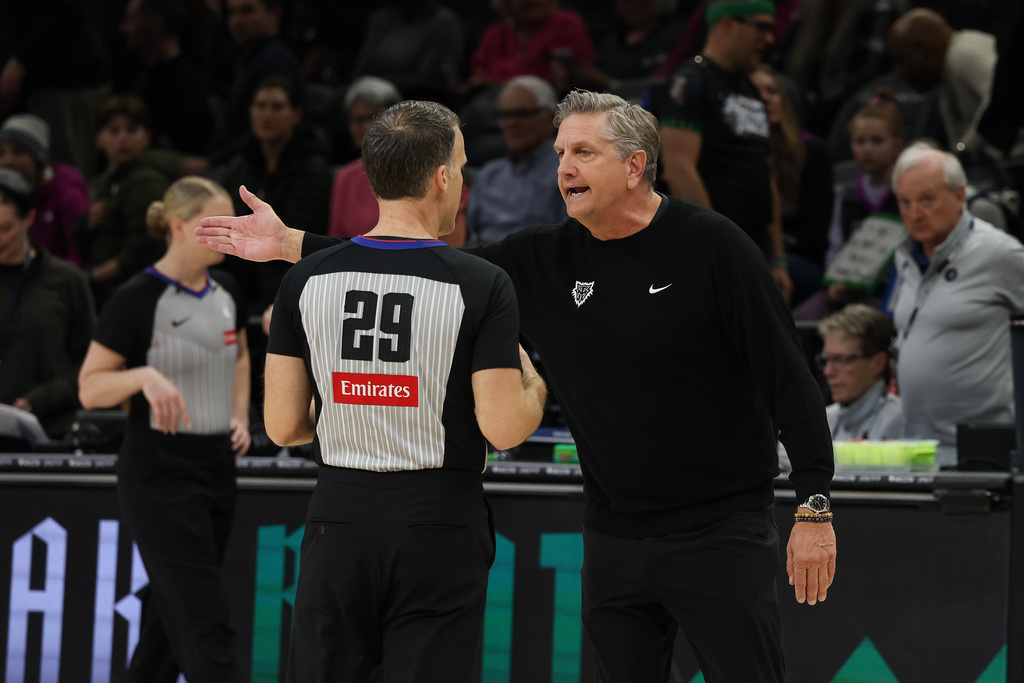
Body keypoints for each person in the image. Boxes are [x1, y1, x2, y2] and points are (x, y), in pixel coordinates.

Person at [197, 90, 837, 682]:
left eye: (583, 152)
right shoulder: (538, 258)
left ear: (636, 164)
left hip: (719, 530)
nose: (564, 167)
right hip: (612, 535)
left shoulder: (714, 247)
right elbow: (419, 269)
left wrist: (813, 501)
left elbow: (790, 376)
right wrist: (294, 245)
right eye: (560, 153)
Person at [261, 100, 547, 680]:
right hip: (437, 522)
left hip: (336, 517)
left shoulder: (304, 279)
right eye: (462, 169)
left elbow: (284, 426)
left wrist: (354, 402)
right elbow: (503, 428)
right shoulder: (482, 282)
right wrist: (535, 384)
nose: (463, 184)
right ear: (442, 177)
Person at [78, 176, 250, 683]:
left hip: (217, 469)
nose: (227, 233)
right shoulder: (136, 298)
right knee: (206, 624)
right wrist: (142, 376)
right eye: (212, 224)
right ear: (177, 226)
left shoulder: (229, 290)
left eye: (231, 223)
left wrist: (239, 415)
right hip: (159, 475)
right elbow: (89, 389)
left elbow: (238, 356)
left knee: (167, 623)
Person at [888, 143, 1024, 468]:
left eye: (927, 199)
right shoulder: (904, 256)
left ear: (960, 196)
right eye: (905, 202)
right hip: (916, 444)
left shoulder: (1000, 254)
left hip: (984, 449)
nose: (915, 213)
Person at [658, 0, 793, 302]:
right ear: (727, 23)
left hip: (751, 247)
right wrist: (716, 244)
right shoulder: (692, 81)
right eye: (761, 27)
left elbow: (763, 170)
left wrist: (777, 257)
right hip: (710, 246)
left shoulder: (749, 87)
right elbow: (679, 168)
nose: (769, 39)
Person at [220, 75, 332, 311]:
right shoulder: (241, 164)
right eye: (260, 106)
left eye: (277, 107)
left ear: (296, 114)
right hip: (243, 267)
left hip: (294, 270)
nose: (267, 115)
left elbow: (304, 228)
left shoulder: (313, 166)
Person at [0, 168, 94, 440]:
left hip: (51, 433)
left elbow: (91, 363)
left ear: (29, 219)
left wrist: (42, 399)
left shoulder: (66, 280)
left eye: (5, 229)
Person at [73, 95, 180, 305]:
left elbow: (143, 248)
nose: (123, 138)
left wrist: (91, 278)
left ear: (147, 137)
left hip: (127, 291)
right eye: (114, 131)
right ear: (99, 139)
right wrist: (86, 224)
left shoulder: (147, 180)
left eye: (131, 130)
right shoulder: (101, 182)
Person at [887, 7, 1022, 159]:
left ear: (923, 50)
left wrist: (965, 149)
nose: (897, 72)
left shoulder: (962, 55)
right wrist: (956, 152)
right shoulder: (946, 69)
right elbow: (957, 141)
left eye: (900, 60)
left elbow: (1001, 94)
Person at [751, 64, 834, 307]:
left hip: (798, 258)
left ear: (785, 101)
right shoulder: (738, 155)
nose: (765, 98)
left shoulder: (812, 151)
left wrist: (776, 250)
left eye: (772, 91)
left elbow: (816, 235)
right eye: (757, 92)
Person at [465, 75, 566, 245]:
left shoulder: (567, 171)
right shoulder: (489, 173)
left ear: (551, 119)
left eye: (521, 114)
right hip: (482, 264)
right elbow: (466, 233)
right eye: (505, 115)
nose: (510, 123)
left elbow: (569, 240)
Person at [118, 0, 216, 156]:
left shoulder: (188, 84)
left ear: (156, 23)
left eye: (132, 19)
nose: (124, 28)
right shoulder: (138, 77)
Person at [0, 113, 89, 264]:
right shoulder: (3, 195)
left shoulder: (67, 193)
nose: (8, 161)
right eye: (1, 153)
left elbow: (78, 255)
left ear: (39, 158)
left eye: (18, 151)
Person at [328, 76, 404, 239]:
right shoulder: (345, 178)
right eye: (358, 119)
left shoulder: (419, 170)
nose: (366, 127)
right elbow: (336, 241)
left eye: (374, 118)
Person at [349, 0, 464, 104]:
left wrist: (376, 85)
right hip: (369, 95)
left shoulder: (443, 23)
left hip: (415, 101)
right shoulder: (381, 19)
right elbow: (360, 70)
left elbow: (427, 81)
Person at [818, 304, 903, 440]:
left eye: (840, 360)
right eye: (826, 359)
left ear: (878, 363)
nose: (828, 372)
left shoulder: (901, 422)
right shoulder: (822, 421)